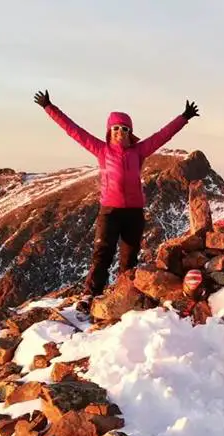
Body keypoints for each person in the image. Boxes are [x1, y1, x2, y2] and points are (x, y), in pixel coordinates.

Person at [33, 89, 200, 314]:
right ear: (110, 131)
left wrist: (184, 117)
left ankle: (124, 297)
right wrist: (49, 107)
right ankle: (89, 294)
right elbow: (73, 130)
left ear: (130, 132)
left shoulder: (139, 151)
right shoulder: (101, 150)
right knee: (102, 253)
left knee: (128, 258)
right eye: (116, 128)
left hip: (134, 212)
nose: (120, 132)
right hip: (110, 211)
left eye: (125, 128)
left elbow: (162, 136)